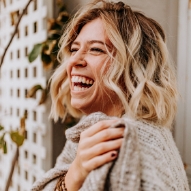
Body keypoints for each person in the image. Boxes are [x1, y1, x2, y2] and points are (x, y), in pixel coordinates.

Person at [31, 0, 190, 190]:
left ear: (134, 68)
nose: (74, 60)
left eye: (96, 49)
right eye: (74, 49)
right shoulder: (90, 133)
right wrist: (74, 175)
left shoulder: (123, 142)